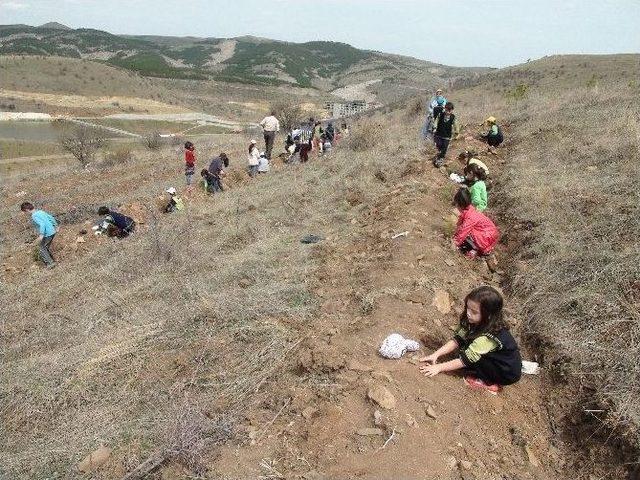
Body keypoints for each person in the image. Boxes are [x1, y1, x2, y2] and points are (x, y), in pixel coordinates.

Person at [418, 286, 522, 394]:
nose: (468, 313)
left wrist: (439, 367)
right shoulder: (473, 321)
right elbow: (457, 340)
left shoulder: (489, 337)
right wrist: (436, 354)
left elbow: (466, 359)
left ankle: (489, 383)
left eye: (474, 312)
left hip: (505, 371)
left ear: (489, 315)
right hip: (497, 360)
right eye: (468, 308)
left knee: (474, 358)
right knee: (468, 349)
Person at [452, 188, 499, 258]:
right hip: (488, 235)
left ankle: (476, 249)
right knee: (464, 234)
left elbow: (463, 231)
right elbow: (460, 225)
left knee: (465, 237)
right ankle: (477, 249)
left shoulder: (470, 217)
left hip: (486, 237)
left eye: (456, 204)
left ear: (459, 204)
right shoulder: (469, 210)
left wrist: (454, 242)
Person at [20, 202, 58, 268]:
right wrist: (56, 226)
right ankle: (52, 261)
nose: (26, 213)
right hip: (52, 231)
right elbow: (50, 217)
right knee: (45, 247)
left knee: (41, 248)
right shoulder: (40, 211)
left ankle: (51, 263)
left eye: (25, 212)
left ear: (27, 210)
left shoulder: (34, 215)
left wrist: (41, 234)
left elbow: (42, 224)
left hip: (47, 233)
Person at [432, 102, 460, 167]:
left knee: (445, 147)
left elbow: (456, 124)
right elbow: (436, 121)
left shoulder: (453, 117)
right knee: (439, 144)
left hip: (447, 135)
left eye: (449, 110)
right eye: (446, 110)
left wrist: (457, 132)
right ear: (445, 109)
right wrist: (435, 127)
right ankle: (440, 152)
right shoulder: (440, 115)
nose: (448, 112)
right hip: (439, 134)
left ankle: (441, 158)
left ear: (452, 110)